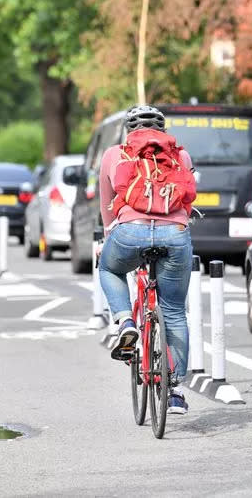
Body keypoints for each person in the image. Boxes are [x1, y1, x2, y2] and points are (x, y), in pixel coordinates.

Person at [98, 105, 194, 415]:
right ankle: (175, 390)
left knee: (109, 268)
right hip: (175, 234)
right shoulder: (181, 155)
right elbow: (189, 199)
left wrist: (109, 233)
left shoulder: (115, 155)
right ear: (162, 130)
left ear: (128, 130)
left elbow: (106, 204)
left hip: (130, 231)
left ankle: (126, 322)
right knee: (175, 311)